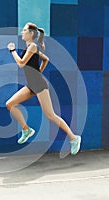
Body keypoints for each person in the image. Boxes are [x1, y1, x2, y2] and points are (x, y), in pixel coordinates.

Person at [6, 22, 81, 155]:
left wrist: (12, 50)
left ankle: (74, 138)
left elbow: (21, 63)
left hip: (39, 85)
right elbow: (46, 59)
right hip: (32, 84)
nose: (22, 33)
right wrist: (39, 71)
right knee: (10, 104)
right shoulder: (31, 47)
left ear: (31, 33)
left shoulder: (33, 46)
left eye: (24, 30)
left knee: (50, 115)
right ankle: (26, 130)